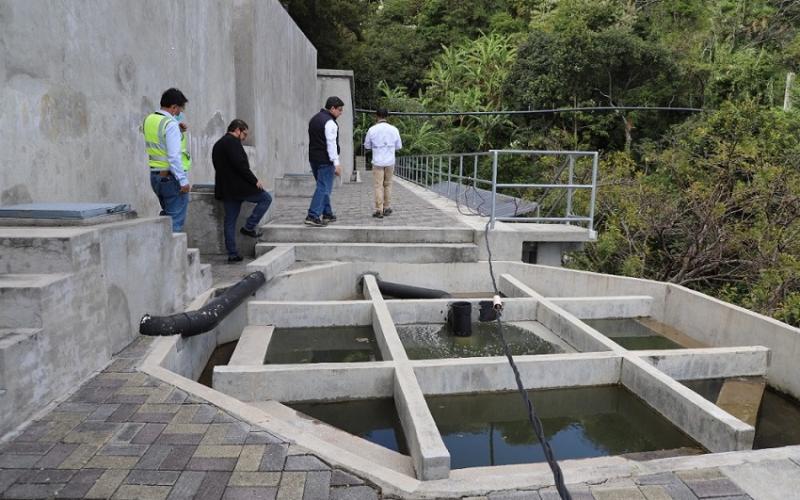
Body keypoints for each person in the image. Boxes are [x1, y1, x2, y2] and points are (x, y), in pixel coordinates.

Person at [211, 119, 272, 262]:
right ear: (237, 130)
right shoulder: (232, 143)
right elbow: (241, 166)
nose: (244, 138)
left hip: (225, 188)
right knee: (266, 198)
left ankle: (232, 254)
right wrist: (255, 180)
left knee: (230, 221)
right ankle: (249, 227)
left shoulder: (218, 144)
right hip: (240, 187)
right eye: (244, 134)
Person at [143, 88, 191, 232]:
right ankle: (171, 254)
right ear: (173, 107)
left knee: (166, 219)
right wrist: (183, 180)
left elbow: (159, 139)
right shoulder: (170, 124)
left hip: (155, 176)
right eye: (179, 110)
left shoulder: (149, 119)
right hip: (171, 177)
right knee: (174, 225)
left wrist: (177, 128)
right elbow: (173, 156)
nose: (180, 114)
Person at [305, 96, 344, 227]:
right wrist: (336, 163)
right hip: (326, 160)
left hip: (313, 159)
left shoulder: (314, 119)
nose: (341, 112)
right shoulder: (330, 123)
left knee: (323, 186)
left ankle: (327, 213)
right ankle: (313, 215)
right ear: (332, 108)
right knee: (324, 187)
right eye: (339, 109)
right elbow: (331, 144)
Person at [363, 108, 402, 218]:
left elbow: (366, 145)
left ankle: (378, 210)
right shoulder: (394, 129)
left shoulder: (372, 129)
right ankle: (387, 207)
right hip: (390, 161)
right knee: (388, 184)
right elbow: (399, 146)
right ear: (387, 116)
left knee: (378, 185)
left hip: (378, 161)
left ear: (377, 116)